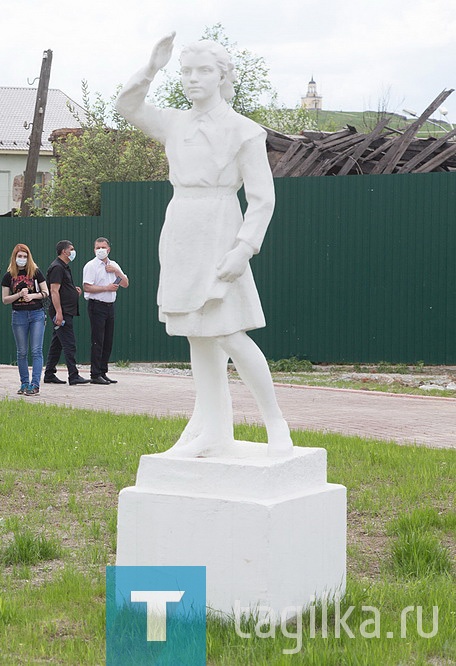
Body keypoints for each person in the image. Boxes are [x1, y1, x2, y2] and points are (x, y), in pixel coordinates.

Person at [115, 33, 292, 457]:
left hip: (219, 228)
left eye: (203, 71)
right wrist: (152, 67)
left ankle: (276, 422)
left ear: (222, 75)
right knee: (198, 335)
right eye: (187, 71)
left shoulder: (244, 131)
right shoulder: (175, 122)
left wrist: (244, 247)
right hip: (181, 226)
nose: (193, 79)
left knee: (229, 332)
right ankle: (213, 428)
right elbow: (127, 107)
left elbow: (263, 198)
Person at [1, 243, 49, 396]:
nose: (22, 259)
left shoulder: (35, 272)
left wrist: (32, 296)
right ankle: (24, 383)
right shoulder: (8, 276)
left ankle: (34, 385)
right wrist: (19, 295)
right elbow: (5, 299)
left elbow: (46, 292)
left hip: (36, 313)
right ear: (14, 257)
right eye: (19, 256)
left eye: (25, 256)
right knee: (21, 351)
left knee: (36, 350)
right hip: (19, 314)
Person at [82, 237, 129, 385]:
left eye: (103, 247)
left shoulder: (113, 265)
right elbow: (87, 287)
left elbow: (126, 283)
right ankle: (95, 374)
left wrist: (116, 272)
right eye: (97, 248)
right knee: (98, 340)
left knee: (108, 340)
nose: (100, 250)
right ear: (94, 249)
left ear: (109, 249)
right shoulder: (91, 266)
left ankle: (103, 371)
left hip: (110, 306)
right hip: (97, 305)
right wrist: (106, 288)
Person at [43, 240, 89, 385]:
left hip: (67, 310)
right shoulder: (57, 267)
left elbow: (62, 288)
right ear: (64, 251)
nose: (73, 252)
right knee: (69, 343)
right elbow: (54, 290)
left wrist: (74, 292)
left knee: (56, 343)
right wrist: (59, 312)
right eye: (71, 249)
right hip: (62, 312)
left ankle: (49, 373)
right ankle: (73, 375)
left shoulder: (64, 267)